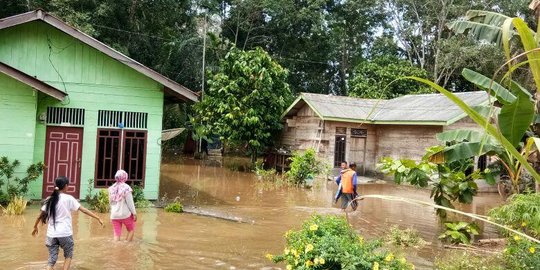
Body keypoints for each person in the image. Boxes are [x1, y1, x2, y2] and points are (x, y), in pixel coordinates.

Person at [32, 176, 104, 270]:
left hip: (51, 234)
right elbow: (84, 210)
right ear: (66, 186)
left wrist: (35, 227)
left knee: (51, 260)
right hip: (65, 233)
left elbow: (40, 215)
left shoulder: (49, 199)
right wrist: (98, 217)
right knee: (68, 255)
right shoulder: (69, 198)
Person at [108, 169, 137, 241]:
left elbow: (111, 203)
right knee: (131, 230)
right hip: (125, 214)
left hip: (114, 215)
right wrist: (134, 213)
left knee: (116, 234)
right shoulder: (126, 188)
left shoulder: (111, 188)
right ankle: (126, 246)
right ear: (125, 177)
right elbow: (130, 203)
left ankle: (116, 248)